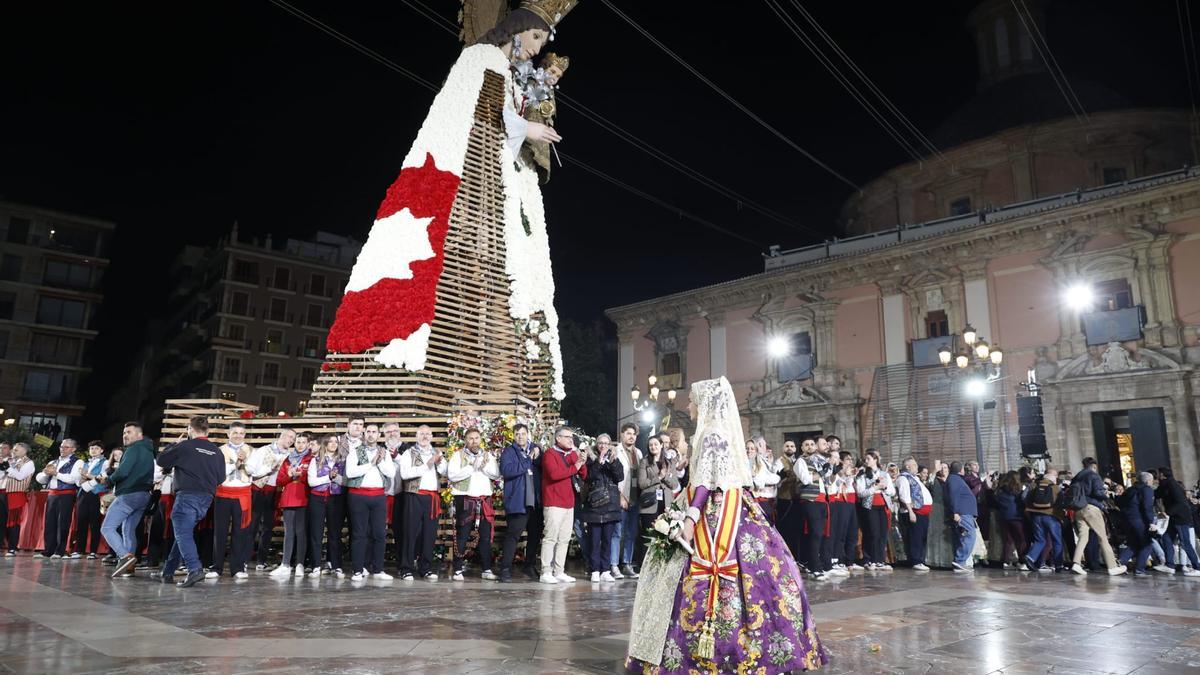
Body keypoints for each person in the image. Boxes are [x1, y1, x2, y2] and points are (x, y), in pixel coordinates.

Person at [626, 377, 826, 672]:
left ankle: (708, 650)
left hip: (714, 511)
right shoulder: (720, 432)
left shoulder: (710, 433)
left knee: (707, 573)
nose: (689, 405)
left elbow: (706, 481)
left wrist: (692, 517)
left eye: (693, 400)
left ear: (706, 403)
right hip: (734, 505)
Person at [157, 416, 226, 588]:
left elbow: (161, 461)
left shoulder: (184, 446)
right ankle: (168, 572)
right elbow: (221, 478)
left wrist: (173, 445)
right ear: (207, 431)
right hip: (206, 499)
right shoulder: (217, 451)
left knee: (183, 534)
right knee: (184, 533)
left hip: (187, 496)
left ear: (190, 429)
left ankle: (194, 569)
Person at [99, 422, 156, 578]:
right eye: (124, 432)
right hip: (143, 495)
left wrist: (109, 480)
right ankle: (129, 568)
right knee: (128, 530)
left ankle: (125, 557)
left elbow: (123, 472)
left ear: (139, 435)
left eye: (129, 432)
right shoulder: (149, 451)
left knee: (107, 528)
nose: (125, 435)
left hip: (129, 495)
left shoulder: (133, 449)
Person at [447, 428, 501, 581]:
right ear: (465, 440)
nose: (474, 441)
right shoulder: (458, 455)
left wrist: (483, 466)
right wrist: (471, 467)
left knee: (485, 536)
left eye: (476, 438)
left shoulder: (487, 456)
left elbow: (496, 474)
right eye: (470, 438)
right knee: (462, 535)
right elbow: (452, 475)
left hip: (484, 499)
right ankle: (457, 569)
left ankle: (486, 569)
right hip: (465, 498)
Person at [345, 422, 396, 581]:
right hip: (358, 495)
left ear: (379, 435)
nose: (371, 434)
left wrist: (379, 462)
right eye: (369, 431)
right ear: (364, 434)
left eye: (374, 432)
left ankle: (378, 569)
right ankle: (358, 570)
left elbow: (391, 472)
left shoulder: (384, 452)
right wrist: (370, 464)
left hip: (379, 495)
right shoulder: (355, 451)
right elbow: (350, 472)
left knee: (379, 533)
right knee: (359, 534)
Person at [398, 425, 447, 580]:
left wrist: (438, 463)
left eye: (427, 434)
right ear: (416, 436)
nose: (425, 437)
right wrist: (427, 465)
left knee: (429, 534)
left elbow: (445, 472)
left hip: (432, 498)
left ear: (431, 436)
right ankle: (406, 568)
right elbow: (405, 474)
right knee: (410, 533)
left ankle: (425, 567)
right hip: (414, 496)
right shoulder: (408, 453)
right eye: (422, 434)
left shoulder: (436, 453)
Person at [540, 425, 586, 584]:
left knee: (564, 538)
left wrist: (581, 461)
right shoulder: (550, 454)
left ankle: (559, 571)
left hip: (569, 502)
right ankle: (546, 571)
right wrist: (576, 466)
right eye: (567, 437)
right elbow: (554, 475)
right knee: (551, 537)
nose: (570, 440)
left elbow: (583, 474)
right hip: (553, 502)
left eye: (571, 437)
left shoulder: (572, 454)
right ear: (558, 438)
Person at [497, 422, 542, 583]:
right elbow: (507, 471)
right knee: (513, 536)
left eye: (523, 433)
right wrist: (527, 460)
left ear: (528, 434)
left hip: (535, 502)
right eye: (517, 434)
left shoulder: (536, 450)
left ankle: (528, 565)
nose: (520, 437)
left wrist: (538, 451)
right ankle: (505, 570)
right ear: (513, 437)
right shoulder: (508, 452)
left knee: (535, 536)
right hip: (518, 502)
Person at [247, 427, 295, 570]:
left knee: (268, 527)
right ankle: (244, 558)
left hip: (275, 492)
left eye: (293, 439)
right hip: (258, 489)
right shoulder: (263, 450)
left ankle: (262, 560)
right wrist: (268, 470)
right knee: (253, 525)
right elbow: (250, 469)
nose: (291, 441)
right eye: (289, 437)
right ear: (282, 436)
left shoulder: (290, 456)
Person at [210, 421, 253, 580]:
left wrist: (245, 464)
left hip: (242, 494)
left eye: (241, 433)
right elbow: (217, 471)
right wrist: (236, 464)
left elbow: (254, 470)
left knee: (240, 532)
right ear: (228, 434)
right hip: (223, 493)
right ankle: (216, 567)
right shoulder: (220, 450)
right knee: (220, 532)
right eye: (235, 432)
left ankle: (237, 567)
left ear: (245, 435)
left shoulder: (251, 450)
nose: (238, 436)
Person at [1069, 457, 1124, 576]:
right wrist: (1107, 494)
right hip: (1092, 508)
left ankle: (1076, 563)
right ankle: (1112, 567)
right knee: (1102, 537)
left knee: (1083, 537)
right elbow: (1097, 492)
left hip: (1078, 509)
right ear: (1094, 466)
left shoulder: (1077, 477)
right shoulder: (1094, 476)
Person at [579, 433, 622, 582]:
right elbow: (588, 477)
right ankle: (594, 569)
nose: (603, 445)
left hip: (611, 505)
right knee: (594, 540)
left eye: (606, 443)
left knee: (607, 540)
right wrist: (599, 461)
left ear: (610, 444)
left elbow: (619, 476)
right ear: (596, 444)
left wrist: (611, 462)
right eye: (600, 443)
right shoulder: (590, 458)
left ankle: (605, 570)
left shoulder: (614, 458)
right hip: (594, 506)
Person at [270, 434, 312, 578]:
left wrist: (301, 476)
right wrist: (289, 475)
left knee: (301, 532)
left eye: (303, 442)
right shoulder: (288, 459)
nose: (300, 445)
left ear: (308, 444)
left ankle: (300, 564)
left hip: (303, 498)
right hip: (288, 498)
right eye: (298, 442)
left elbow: (312, 479)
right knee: (289, 533)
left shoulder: (311, 459)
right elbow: (279, 480)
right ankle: (285, 564)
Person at [36, 438, 83, 559]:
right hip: (52, 494)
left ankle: (60, 550)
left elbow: (73, 479)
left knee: (63, 522)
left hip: (66, 494)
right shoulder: (54, 461)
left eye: (66, 447)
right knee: (50, 522)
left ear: (73, 449)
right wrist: (46, 473)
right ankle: (48, 550)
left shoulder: (78, 462)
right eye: (61, 446)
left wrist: (56, 473)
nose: (62, 449)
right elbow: (40, 479)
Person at [306, 435, 346, 577]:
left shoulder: (342, 461)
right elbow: (312, 482)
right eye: (331, 441)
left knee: (335, 534)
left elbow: (345, 482)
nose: (334, 444)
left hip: (336, 499)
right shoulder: (315, 460)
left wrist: (336, 477)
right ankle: (316, 565)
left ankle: (336, 566)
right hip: (318, 498)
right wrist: (328, 477)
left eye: (336, 442)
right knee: (316, 533)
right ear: (325, 443)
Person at [855, 449, 895, 571]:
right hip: (869, 505)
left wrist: (885, 487)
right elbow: (861, 493)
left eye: (868, 459)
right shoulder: (862, 474)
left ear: (875, 460)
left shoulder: (884, 474)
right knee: (872, 532)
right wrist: (874, 487)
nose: (866, 461)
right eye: (865, 459)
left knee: (882, 533)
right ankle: (870, 559)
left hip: (883, 505)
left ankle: (880, 560)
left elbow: (892, 492)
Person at [1155, 467, 1200, 576]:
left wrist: (1167, 513)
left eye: (1158, 474)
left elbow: (1181, 503)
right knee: (1166, 538)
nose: (1157, 476)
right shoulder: (1166, 484)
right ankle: (1170, 565)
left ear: (1163, 475)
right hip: (1174, 518)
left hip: (1180, 518)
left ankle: (1197, 568)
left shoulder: (1173, 485)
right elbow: (1157, 494)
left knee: (1185, 543)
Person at [639, 435, 681, 547]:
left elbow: (674, 484)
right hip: (650, 504)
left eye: (656, 444)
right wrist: (658, 477)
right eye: (650, 445)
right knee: (649, 538)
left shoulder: (669, 463)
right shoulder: (644, 462)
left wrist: (665, 477)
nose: (653, 447)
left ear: (661, 445)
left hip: (666, 505)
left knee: (665, 539)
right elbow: (642, 483)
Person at [612, 422, 642, 579]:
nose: (631, 436)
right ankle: (614, 565)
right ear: (622, 435)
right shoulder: (616, 451)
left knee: (631, 533)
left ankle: (627, 564)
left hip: (635, 498)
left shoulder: (638, 453)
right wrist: (620, 496)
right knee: (617, 532)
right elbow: (613, 477)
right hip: (621, 497)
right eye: (628, 433)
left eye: (634, 434)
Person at [72, 441, 109, 559]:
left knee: (95, 523)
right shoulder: (86, 463)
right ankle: (79, 550)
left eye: (96, 448)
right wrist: (81, 480)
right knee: (81, 522)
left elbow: (103, 478)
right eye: (91, 448)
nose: (93, 450)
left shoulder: (106, 462)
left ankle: (93, 551)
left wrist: (87, 475)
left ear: (102, 450)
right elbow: (78, 481)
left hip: (96, 494)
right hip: (83, 493)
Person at [1116, 471, 1157, 576]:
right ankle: (1139, 568)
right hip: (1139, 520)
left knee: (1133, 544)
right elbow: (1147, 507)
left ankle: (1120, 562)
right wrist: (1151, 522)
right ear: (1148, 481)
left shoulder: (1130, 490)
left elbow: (1120, 502)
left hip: (1127, 520)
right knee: (1146, 544)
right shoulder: (1147, 490)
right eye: (1152, 480)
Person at [1024, 468, 1064, 572]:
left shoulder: (1034, 486)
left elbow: (1026, 500)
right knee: (1057, 540)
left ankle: (1030, 557)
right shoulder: (1055, 488)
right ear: (1053, 478)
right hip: (1051, 517)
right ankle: (1058, 565)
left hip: (1036, 517)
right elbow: (1061, 503)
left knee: (1040, 540)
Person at [896, 456, 932, 571]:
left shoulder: (914, 477)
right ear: (907, 466)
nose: (917, 467)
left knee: (921, 536)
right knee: (915, 537)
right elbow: (904, 495)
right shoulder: (903, 478)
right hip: (912, 512)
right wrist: (911, 511)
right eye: (915, 465)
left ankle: (920, 559)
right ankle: (916, 560)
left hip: (922, 512)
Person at [828, 451, 860, 573]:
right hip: (840, 502)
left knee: (852, 533)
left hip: (851, 503)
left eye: (851, 459)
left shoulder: (850, 472)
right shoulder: (836, 471)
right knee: (840, 532)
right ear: (841, 461)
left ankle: (849, 561)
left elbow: (851, 486)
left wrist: (851, 476)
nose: (850, 462)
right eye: (847, 459)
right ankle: (838, 560)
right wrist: (845, 476)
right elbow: (835, 485)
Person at [3, 443, 35, 556]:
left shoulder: (29, 463)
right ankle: (6, 545)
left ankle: (12, 548)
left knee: (13, 522)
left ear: (24, 451)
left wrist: (8, 467)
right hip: (5, 492)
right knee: (3, 520)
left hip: (16, 494)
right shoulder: (12, 461)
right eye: (14, 450)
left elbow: (20, 476)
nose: (13, 451)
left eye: (16, 450)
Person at [946, 461, 978, 573]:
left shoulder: (955, 479)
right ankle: (960, 561)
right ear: (961, 470)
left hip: (964, 513)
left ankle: (960, 562)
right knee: (970, 536)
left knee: (963, 537)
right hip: (962, 514)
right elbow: (953, 496)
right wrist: (955, 512)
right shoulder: (954, 480)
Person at [993, 471, 1029, 570]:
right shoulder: (1017, 490)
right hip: (1017, 517)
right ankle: (1023, 560)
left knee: (1008, 540)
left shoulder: (1000, 490)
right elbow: (1022, 501)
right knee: (1021, 540)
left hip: (1004, 517)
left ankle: (1006, 561)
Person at [925, 462, 955, 569]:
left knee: (948, 535)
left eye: (945, 467)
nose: (943, 470)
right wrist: (934, 471)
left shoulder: (952, 480)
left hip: (949, 509)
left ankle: (949, 559)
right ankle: (936, 560)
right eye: (941, 468)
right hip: (937, 509)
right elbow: (928, 483)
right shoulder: (935, 480)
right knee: (936, 534)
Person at [746, 436, 781, 524]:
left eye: (752, 449)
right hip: (754, 498)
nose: (749, 450)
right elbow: (760, 482)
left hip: (765, 499)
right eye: (747, 448)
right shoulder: (746, 463)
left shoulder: (759, 462)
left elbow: (762, 480)